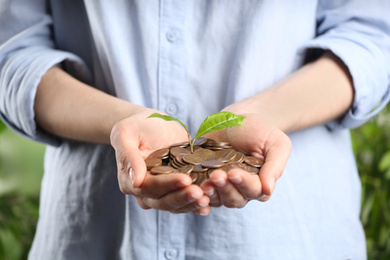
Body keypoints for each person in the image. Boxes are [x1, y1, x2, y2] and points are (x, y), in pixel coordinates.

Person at [1, 0, 390, 259]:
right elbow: (13, 51)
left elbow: (371, 37)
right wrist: (118, 121)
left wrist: (261, 115)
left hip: (288, 236)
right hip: (95, 235)